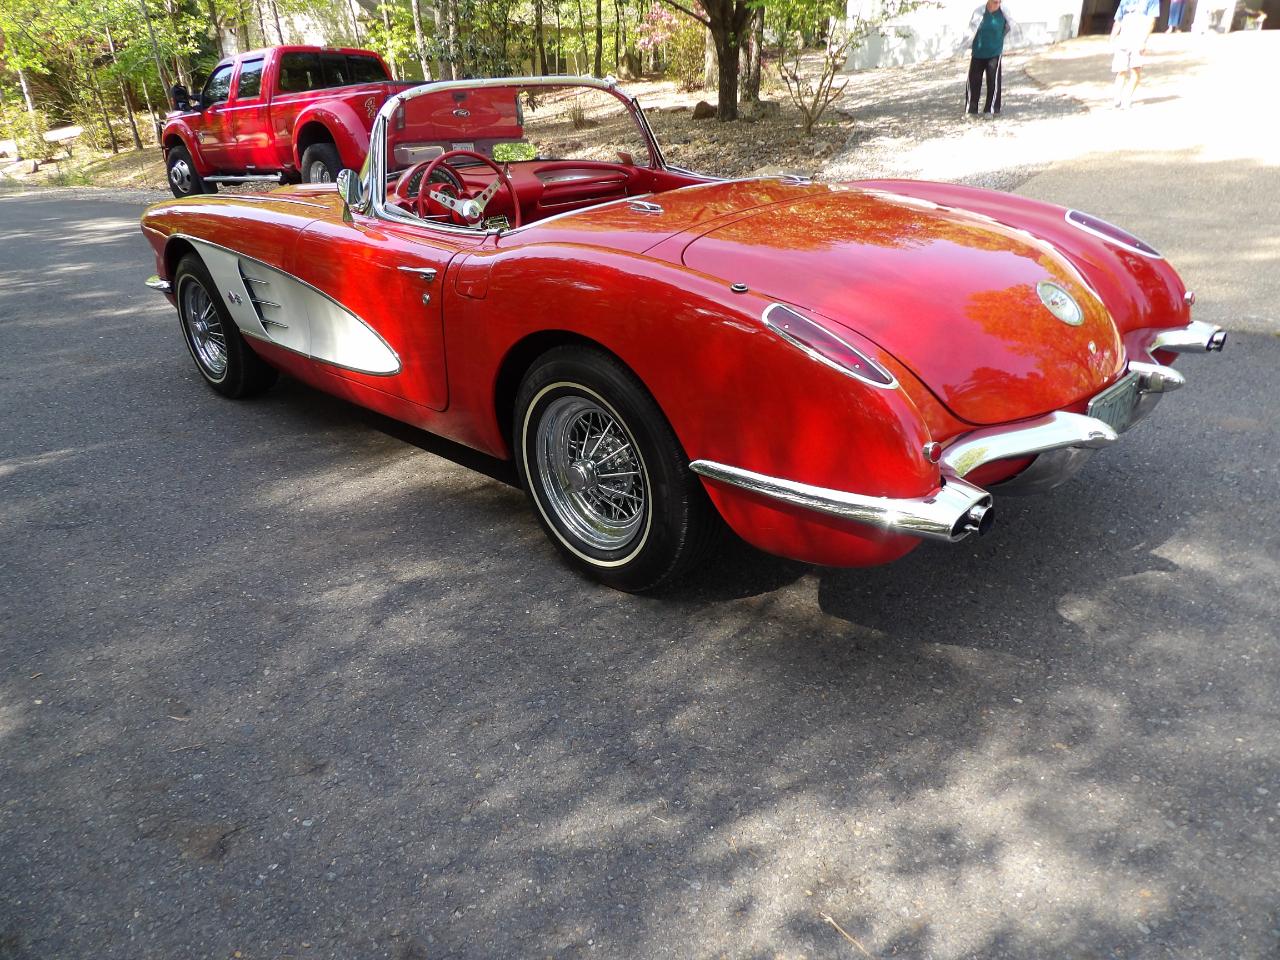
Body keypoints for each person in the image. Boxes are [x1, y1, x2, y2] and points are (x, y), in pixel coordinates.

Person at [966, 0, 1018, 117]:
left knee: (993, 81)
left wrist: (1000, 42)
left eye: (999, 1)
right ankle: (971, 109)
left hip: (994, 52)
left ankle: (990, 109)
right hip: (978, 52)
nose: (997, 2)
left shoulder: (1004, 13)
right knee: (974, 81)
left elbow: (1009, 28)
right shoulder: (979, 12)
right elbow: (971, 31)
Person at [1111, 0, 1159, 109]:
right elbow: (1118, 20)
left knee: (1135, 70)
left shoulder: (1152, 1)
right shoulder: (1125, 1)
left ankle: (1127, 97)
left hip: (1138, 40)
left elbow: (1151, 21)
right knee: (1120, 70)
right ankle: (1117, 98)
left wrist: (1144, 40)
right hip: (1123, 40)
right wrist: (1112, 38)